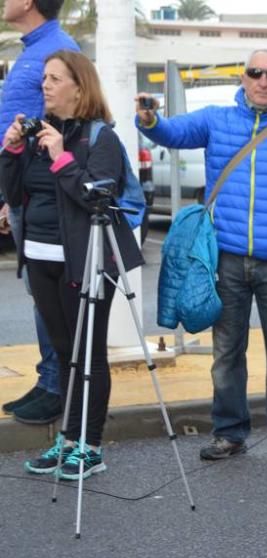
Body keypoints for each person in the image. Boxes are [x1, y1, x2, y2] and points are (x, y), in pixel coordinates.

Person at [136, 49, 267, 462]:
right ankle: (229, 432)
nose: (263, 80)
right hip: (225, 260)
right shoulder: (217, 121)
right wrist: (150, 120)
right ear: (244, 78)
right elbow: (172, 132)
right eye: (255, 73)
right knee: (226, 354)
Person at [0, 50, 143, 478]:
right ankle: (67, 440)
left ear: (78, 88)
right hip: (40, 258)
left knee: (89, 355)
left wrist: (62, 157)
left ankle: (91, 446)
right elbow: (14, 191)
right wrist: (10, 152)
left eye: (54, 78)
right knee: (63, 353)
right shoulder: (37, 134)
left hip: (85, 260)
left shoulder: (100, 139)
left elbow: (96, 196)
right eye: (44, 77)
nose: (45, 85)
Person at [0, 0, 78, 426]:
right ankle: (48, 378)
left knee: (49, 294)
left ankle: (57, 386)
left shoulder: (58, 49)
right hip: (21, 190)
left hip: (43, 195)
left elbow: (72, 120)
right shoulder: (33, 49)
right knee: (38, 293)